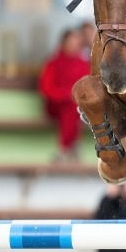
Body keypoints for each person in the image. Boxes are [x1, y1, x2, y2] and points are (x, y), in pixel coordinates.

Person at [38, 28, 90, 162]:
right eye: (72, 42)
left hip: (75, 106)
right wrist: (66, 95)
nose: (74, 46)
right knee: (71, 106)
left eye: (77, 43)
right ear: (64, 43)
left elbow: (88, 88)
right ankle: (72, 147)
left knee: (72, 108)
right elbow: (46, 88)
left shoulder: (83, 64)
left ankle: (64, 150)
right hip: (54, 106)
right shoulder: (53, 63)